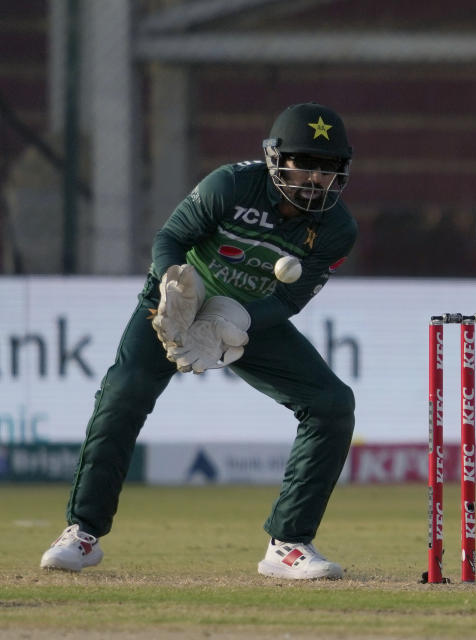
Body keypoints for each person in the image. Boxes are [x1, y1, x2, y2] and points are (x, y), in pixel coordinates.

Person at [39, 103, 358, 580]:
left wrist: (239, 319)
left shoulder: (336, 229)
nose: (316, 178)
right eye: (305, 164)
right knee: (124, 392)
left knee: (332, 403)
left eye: (328, 168)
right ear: (276, 159)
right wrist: (174, 286)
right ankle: (82, 533)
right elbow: (170, 237)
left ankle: (288, 542)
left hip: (245, 314)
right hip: (181, 295)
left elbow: (289, 300)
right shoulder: (229, 185)